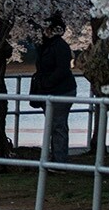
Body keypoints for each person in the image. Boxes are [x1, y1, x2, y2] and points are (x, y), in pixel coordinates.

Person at [32, 19, 77, 164]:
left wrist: (46, 82)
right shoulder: (45, 45)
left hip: (61, 90)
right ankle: (55, 157)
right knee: (54, 124)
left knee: (58, 125)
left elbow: (62, 69)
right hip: (50, 90)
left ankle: (59, 160)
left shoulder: (59, 46)